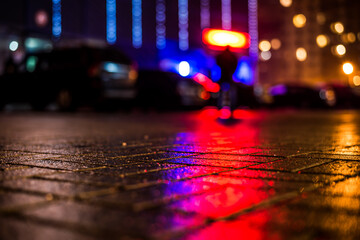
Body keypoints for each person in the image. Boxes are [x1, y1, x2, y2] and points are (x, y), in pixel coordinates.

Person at [216, 46, 238, 111]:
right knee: (231, 91)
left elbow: (217, 62)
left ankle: (220, 105)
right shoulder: (231, 57)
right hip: (227, 76)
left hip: (225, 76)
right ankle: (232, 105)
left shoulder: (222, 56)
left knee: (223, 92)